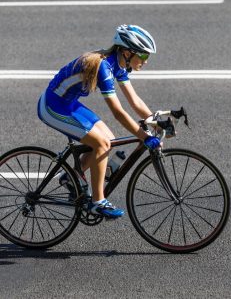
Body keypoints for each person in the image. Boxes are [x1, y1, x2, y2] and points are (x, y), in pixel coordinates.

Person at [37, 24, 160, 219]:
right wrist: (144, 136)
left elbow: (134, 101)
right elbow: (118, 112)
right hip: (52, 107)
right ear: (128, 52)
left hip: (68, 104)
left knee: (108, 140)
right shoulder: (103, 66)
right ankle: (97, 202)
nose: (145, 61)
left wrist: (156, 121)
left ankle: (70, 178)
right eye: (143, 56)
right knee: (102, 144)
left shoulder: (119, 65)